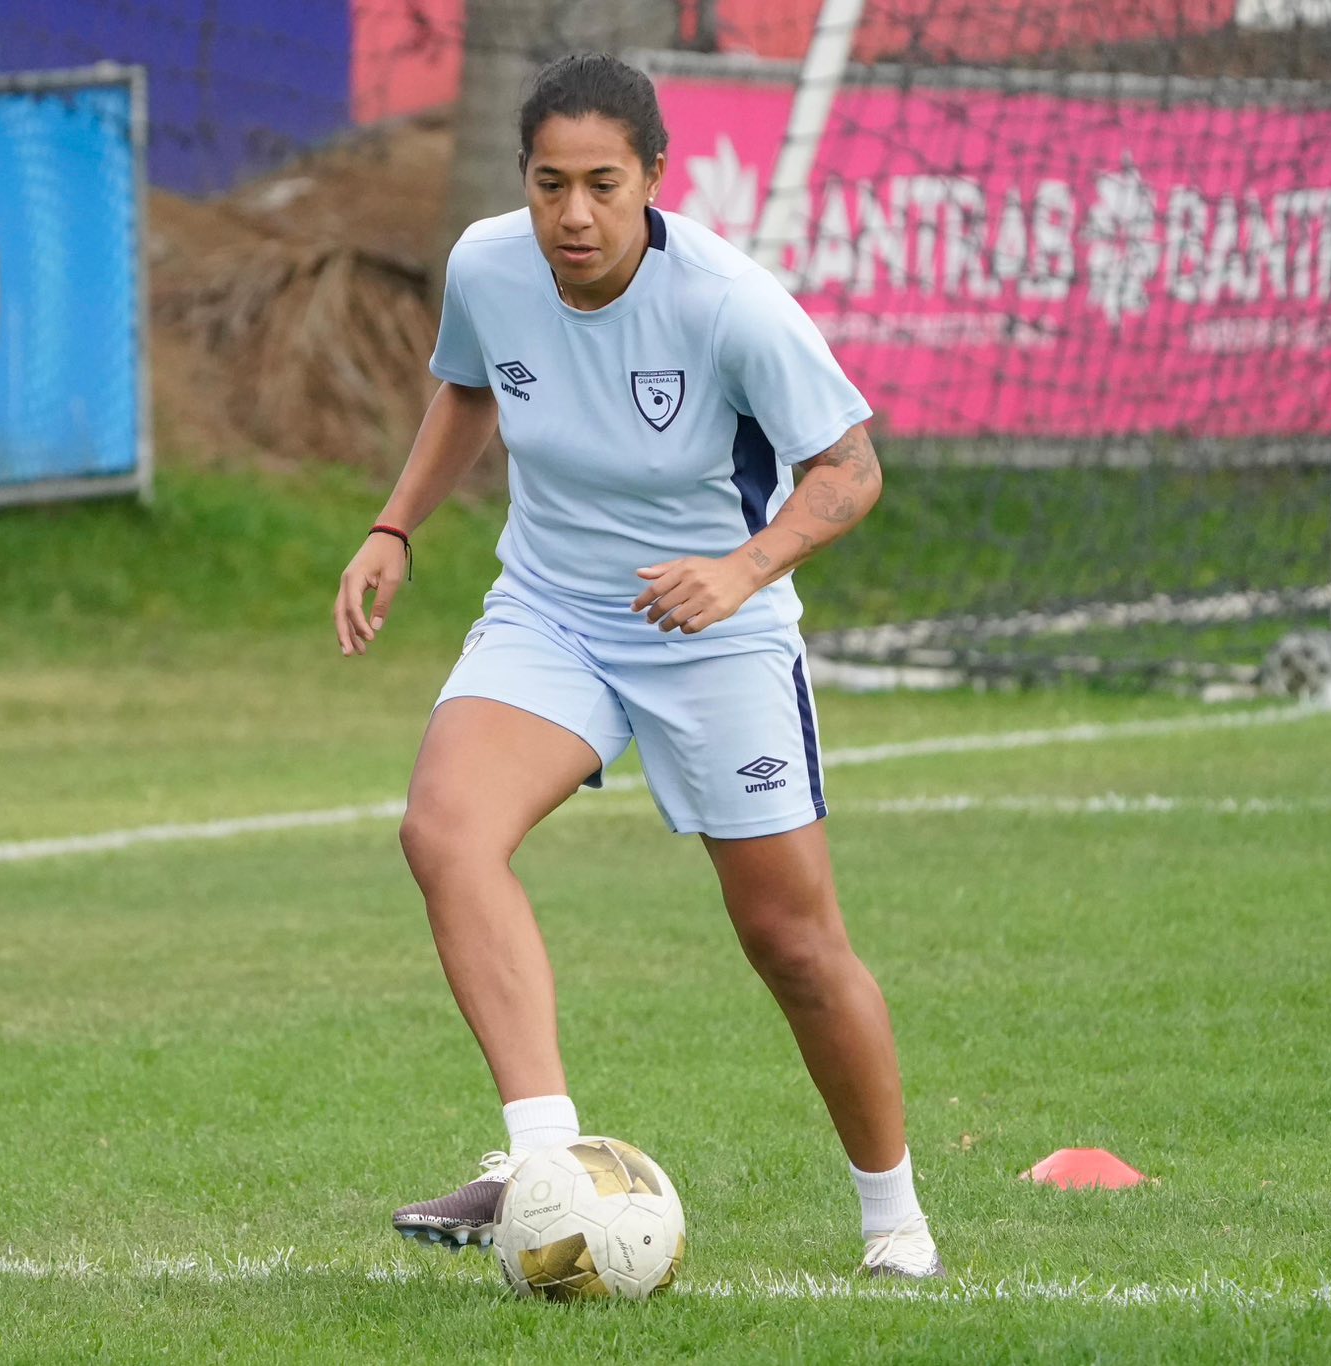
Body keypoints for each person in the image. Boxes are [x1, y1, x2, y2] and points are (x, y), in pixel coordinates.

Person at [333, 52, 941, 1279]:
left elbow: (849, 469)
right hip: (551, 611)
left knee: (790, 941)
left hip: (715, 636)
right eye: (549, 183)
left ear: (653, 177)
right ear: (522, 178)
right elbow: (467, 392)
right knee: (444, 831)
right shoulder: (487, 265)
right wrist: (394, 525)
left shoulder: (728, 303)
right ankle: (541, 1160)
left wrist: (742, 570)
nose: (573, 214)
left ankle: (894, 1219)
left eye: (601, 185)